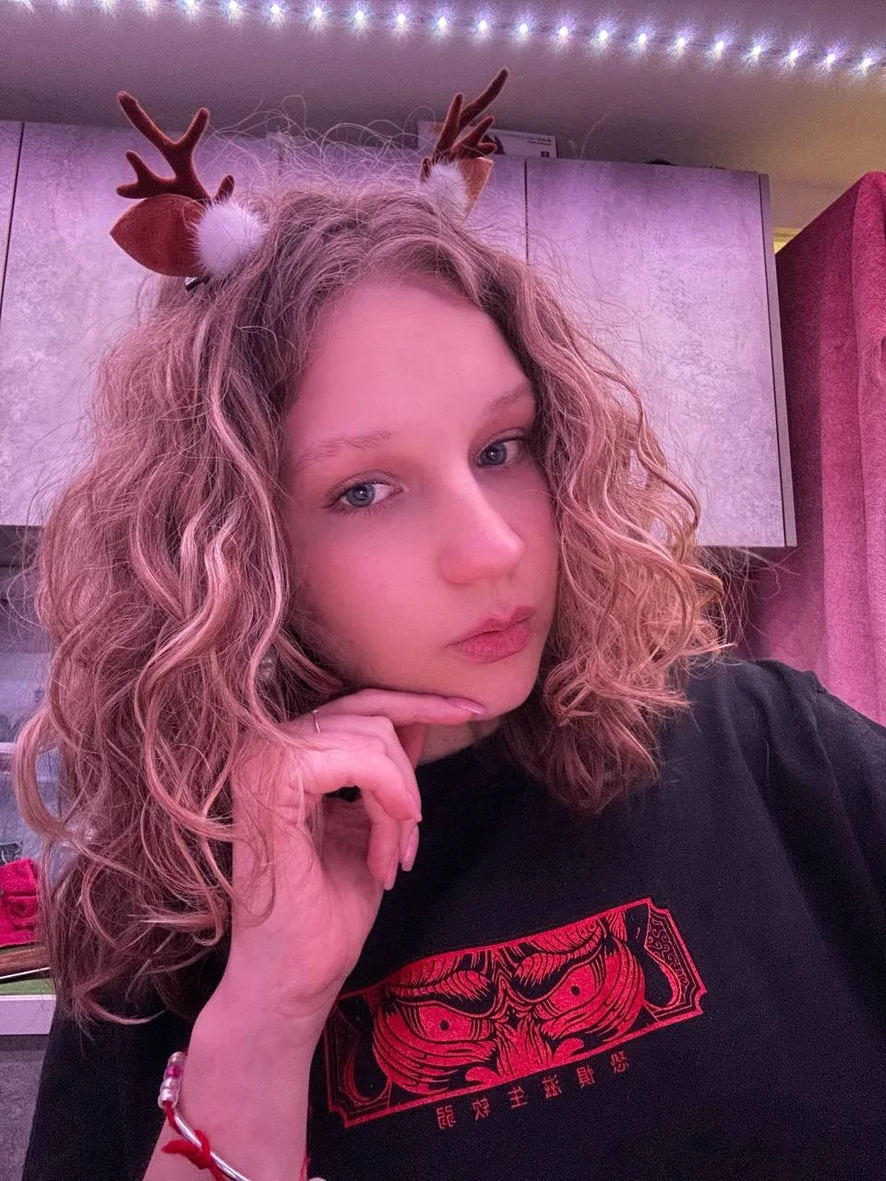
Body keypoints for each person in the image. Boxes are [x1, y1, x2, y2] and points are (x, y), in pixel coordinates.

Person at [14, 72, 886, 1181]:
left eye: (500, 448)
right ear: (239, 545)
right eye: (364, 489)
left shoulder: (769, 746)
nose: (493, 546)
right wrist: (267, 1015)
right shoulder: (159, 921)